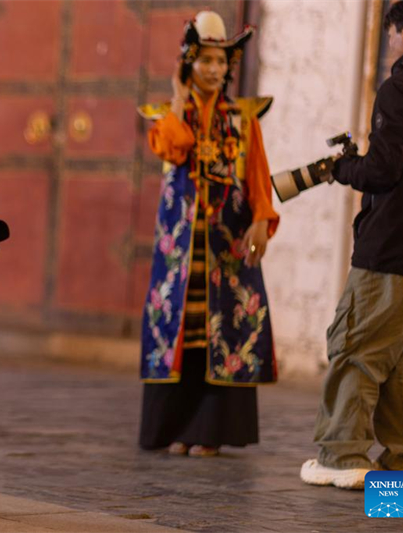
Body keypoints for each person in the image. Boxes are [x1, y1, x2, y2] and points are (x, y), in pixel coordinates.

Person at [138, 11, 280, 457]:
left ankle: (212, 432)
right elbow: (171, 146)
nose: (216, 70)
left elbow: (257, 173)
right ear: (188, 63)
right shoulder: (168, 117)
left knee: (225, 328)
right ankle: (177, 429)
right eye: (206, 61)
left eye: (222, 62)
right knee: (185, 328)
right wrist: (180, 99)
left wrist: (261, 218)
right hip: (181, 247)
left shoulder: (242, 118)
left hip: (226, 243)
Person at [300, 0, 403, 491]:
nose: (390, 42)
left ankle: (343, 455)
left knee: (359, 351)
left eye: (391, 34)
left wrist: (341, 169)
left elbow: (384, 170)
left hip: (390, 251)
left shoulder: (401, 87)